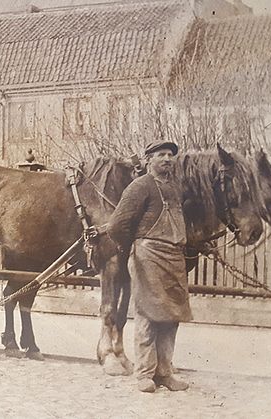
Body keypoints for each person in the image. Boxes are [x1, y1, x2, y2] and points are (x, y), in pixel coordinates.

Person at [108, 141, 192, 393]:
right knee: (148, 314)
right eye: (161, 155)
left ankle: (164, 372)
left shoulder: (174, 188)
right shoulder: (140, 186)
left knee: (172, 315)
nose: (167, 159)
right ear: (148, 160)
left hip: (174, 257)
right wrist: (134, 248)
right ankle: (144, 374)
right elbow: (116, 226)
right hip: (149, 256)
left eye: (170, 155)